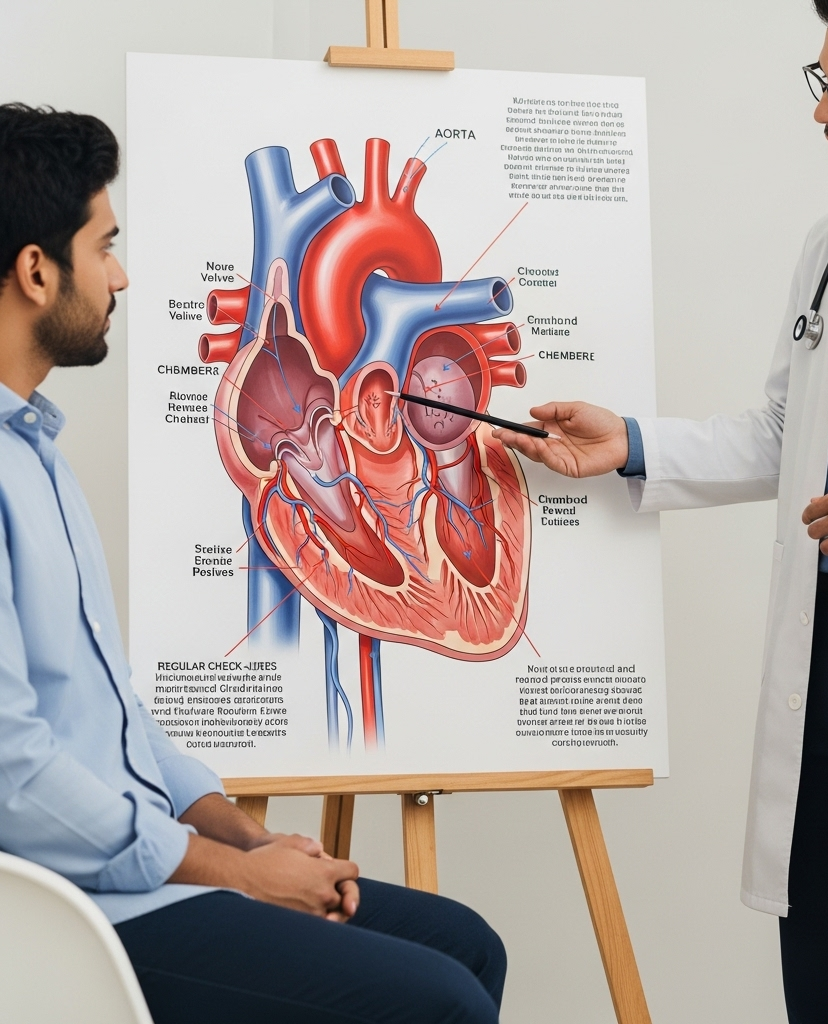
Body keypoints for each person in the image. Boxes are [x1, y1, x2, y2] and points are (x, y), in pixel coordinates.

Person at [495, 1, 828, 1021]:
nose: (823, 111)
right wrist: (632, 444)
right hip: (827, 689)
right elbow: (789, 436)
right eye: (819, 81)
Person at [0, 102, 504, 1024]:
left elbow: (106, 709)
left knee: (466, 943)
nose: (119, 274)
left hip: (150, 871)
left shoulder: (33, 451)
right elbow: (12, 769)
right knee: (439, 1003)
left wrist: (243, 829)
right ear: (36, 270)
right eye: (103, 245)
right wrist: (234, 873)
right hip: (72, 913)